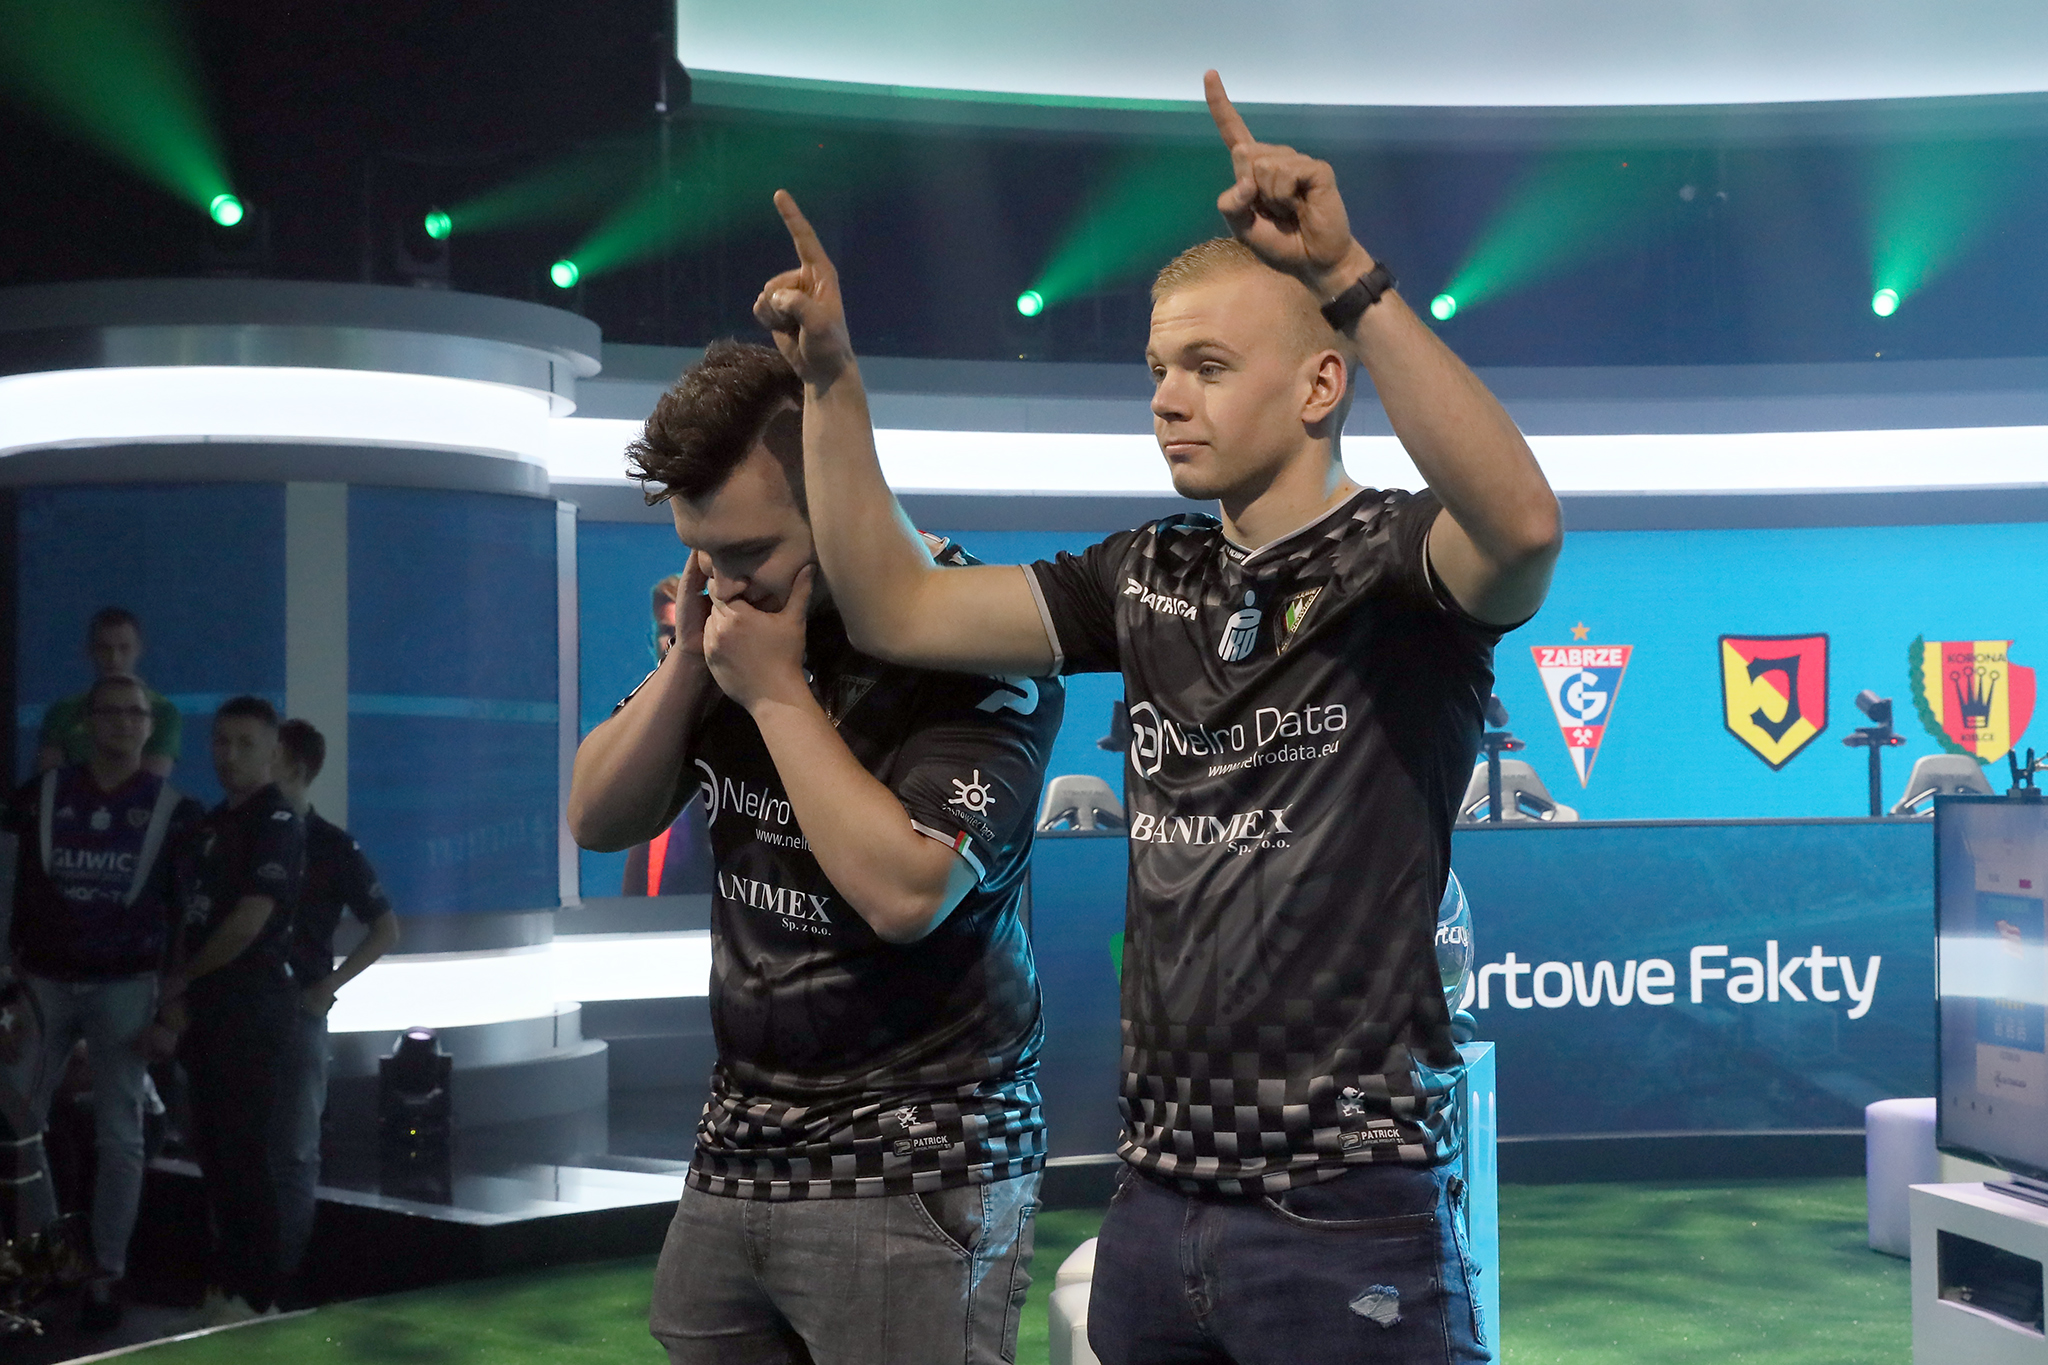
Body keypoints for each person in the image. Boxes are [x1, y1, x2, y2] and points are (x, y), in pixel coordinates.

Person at [750, 71, 1561, 1365]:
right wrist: (834, 384)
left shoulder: (1399, 565)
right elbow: (896, 604)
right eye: (1157, 370)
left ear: (1319, 385)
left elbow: (1521, 527)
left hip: (1349, 1207)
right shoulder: (1143, 574)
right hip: (1154, 1205)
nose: (1165, 397)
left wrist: (1344, 273)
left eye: (1206, 367)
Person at [566, 339, 1065, 1365]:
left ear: (839, 492)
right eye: (701, 554)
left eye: (749, 550)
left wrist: (774, 694)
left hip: (920, 1160)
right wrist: (691, 667)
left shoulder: (970, 630)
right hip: (738, 1146)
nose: (725, 583)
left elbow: (907, 892)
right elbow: (596, 815)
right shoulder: (726, 625)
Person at [1, 673, 202, 1331]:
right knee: (17, 1121)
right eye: (109, 711)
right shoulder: (40, 796)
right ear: (86, 722)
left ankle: (105, 1276)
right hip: (42, 983)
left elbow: (187, 918)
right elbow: (8, 885)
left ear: (150, 725)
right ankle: (48, 1264)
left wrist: (174, 1005)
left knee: (121, 1136)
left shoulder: (176, 811)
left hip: (127, 986)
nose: (122, 722)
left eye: (134, 713)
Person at [158, 696, 305, 1325]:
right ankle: (227, 1283)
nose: (230, 755)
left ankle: (257, 1294)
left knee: (245, 1153)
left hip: (251, 1008)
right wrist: (178, 995)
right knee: (213, 1152)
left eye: (245, 744)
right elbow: (186, 917)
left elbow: (249, 920)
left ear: (272, 751)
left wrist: (180, 980)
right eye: (221, 742)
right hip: (205, 1009)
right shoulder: (208, 825)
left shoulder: (277, 820)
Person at [269, 719, 399, 1294]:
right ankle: (241, 1273)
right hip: (239, 1008)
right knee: (238, 1146)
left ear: (296, 767)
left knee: (295, 1150)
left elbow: (384, 927)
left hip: (299, 1007)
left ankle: (281, 1277)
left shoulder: (330, 845)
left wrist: (327, 987)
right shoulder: (231, 830)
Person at [620, 575, 715, 897]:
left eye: (689, 628)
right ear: (652, 642)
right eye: (667, 631)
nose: (678, 641)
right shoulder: (636, 731)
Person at [36, 609, 182, 779]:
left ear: (139, 649)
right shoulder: (62, 711)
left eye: (124, 648)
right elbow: (48, 781)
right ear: (90, 651)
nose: (114, 658)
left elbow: (150, 784)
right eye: (104, 649)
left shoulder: (163, 711)